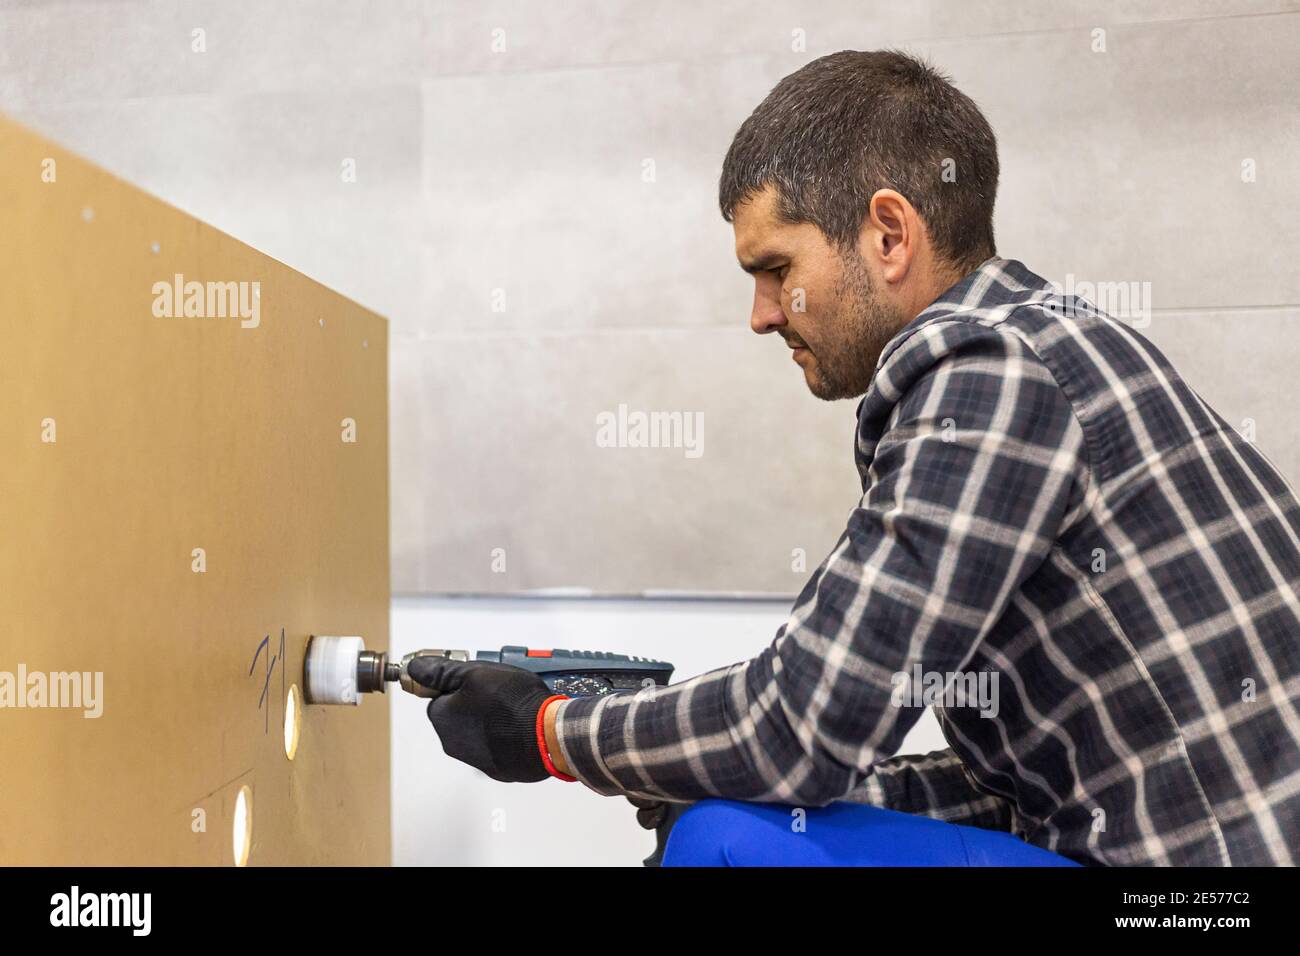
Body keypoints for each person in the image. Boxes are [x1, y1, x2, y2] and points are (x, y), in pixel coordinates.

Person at [409, 49, 1300, 867]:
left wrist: (554, 731)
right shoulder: (1055, 345)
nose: (761, 314)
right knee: (736, 817)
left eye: (774, 267)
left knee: (728, 846)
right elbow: (1021, 789)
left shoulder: (989, 372)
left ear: (888, 234)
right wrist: (695, 771)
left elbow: (800, 722)